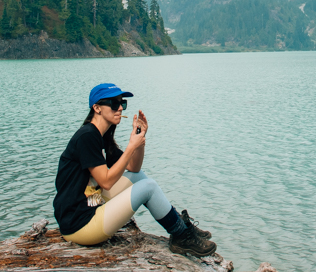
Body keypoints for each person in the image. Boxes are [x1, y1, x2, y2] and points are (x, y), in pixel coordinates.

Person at [53, 82, 216, 257]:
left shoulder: (101, 136)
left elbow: (134, 168)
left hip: (90, 206)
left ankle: (181, 227)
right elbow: (106, 182)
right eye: (114, 104)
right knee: (149, 187)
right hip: (79, 225)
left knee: (140, 178)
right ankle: (182, 237)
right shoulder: (87, 137)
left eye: (122, 103)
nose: (120, 109)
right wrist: (131, 147)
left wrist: (139, 140)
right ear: (97, 108)